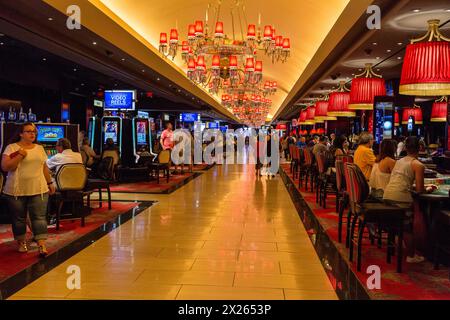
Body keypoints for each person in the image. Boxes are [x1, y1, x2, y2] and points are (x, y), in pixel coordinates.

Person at [1, 122, 56, 257]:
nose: (32, 134)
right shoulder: (11, 147)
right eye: (29, 131)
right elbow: (5, 167)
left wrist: (50, 182)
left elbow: (44, 167)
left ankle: (41, 245)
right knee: (19, 218)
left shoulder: (39, 148)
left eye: (34, 132)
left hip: (39, 188)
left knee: (39, 217)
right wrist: (20, 155)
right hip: (16, 190)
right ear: (21, 133)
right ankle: (21, 242)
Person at [383, 137, 426, 263]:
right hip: (400, 199)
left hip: (387, 195)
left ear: (406, 148)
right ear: (420, 148)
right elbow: (419, 190)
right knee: (407, 225)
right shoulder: (418, 165)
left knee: (403, 222)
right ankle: (411, 255)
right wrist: (427, 189)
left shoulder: (399, 161)